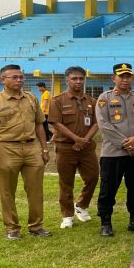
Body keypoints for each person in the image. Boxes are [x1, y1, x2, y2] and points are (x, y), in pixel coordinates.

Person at [0, 64, 51, 239]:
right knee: (6, 191)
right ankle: (12, 228)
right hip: (6, 148)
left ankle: (36, 226)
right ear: (3, 79)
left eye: (21, 77)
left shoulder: (31, 98)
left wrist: (44, 149)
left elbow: (39, 125)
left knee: (36, 190)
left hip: (31, 148)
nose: (19, 80)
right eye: (14, 77)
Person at [96, 63, 134, 237]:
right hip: (113, 153)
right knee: (108, 189)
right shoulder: (104, 98)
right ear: (114, 78)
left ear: (132, 78)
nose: (125, 79)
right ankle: (105, 222)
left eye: (128, 76)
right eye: (121, 76)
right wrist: (125, 144)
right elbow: (104, 125)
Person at [48, 66, 99, 229]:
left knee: (93, 177)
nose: (78, 81)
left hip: (87, 147)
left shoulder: (92, 101)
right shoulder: (57, 100)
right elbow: (56, 123)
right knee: (66, 182)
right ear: (67, 80)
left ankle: (81, 205)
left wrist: (84, 140)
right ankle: (67, 215)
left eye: (81, 78)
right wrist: (76, 139)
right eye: (74, 78)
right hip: (65, 147)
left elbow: (97, 123)